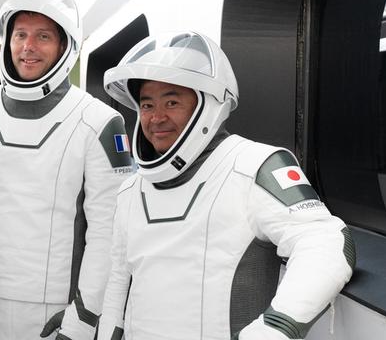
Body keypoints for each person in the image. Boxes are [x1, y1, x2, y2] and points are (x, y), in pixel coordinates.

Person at [97, 31, 355, 340]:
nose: (156, 118)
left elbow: (327, 242)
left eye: (172, 101)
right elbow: (118, 279)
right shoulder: (130, 190)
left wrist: (275, 329)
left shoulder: (255, 165)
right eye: (147, 105)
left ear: (209, 105)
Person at [0, 0, 133, 340]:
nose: (28, 46)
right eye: (20, 35)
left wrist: (83, 316)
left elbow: (109, 232)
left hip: (57, 312)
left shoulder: (99, 122)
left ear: (66, 46)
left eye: (43, 36)